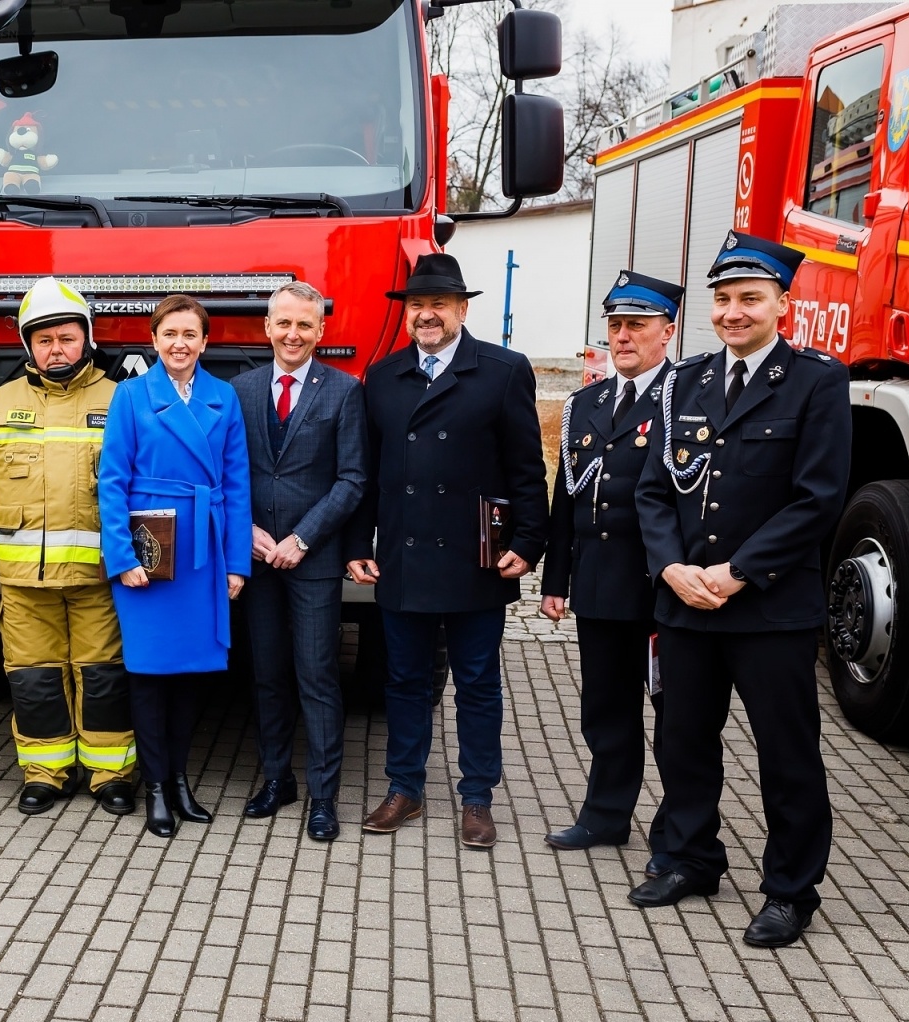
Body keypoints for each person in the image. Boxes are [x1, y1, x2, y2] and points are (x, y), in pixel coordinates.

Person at [632, 231, 850, 949]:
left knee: (787, 755)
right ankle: (692, 858)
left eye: (749, 299)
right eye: (723, 300)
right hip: (686, 602)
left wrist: (736, 573)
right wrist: (670, 569)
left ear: (782, 305)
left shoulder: (818, 382)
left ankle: (791, 890)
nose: (733, 313)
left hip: (767, 608)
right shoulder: (684, 382)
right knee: (683, 741)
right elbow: (654, 492)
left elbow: (816, 499)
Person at [346, 253, 547, 848]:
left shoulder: (505, 370)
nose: (426, 314)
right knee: (404, 680)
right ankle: (404, 787)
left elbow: (526, 469)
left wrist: (530, 541)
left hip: (475, 556)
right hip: (404, 559)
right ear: (406, 314)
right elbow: (368, 471)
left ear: (462, 309)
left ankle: (478, 796)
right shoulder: (383, 377)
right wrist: (359, 542)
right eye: (417, 305)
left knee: (478, 682)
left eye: (439, 304)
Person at [0, 278, 136, 817]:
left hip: (102, 578)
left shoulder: (120, 400)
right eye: (45, 339)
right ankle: (46, 771)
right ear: (29, 345)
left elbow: (144, 488)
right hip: (23, 582)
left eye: (67, 338)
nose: (57, 349)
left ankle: (111, 772)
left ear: (88, 340)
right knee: (33, 679)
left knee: (103, 679)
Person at [98, 295, 252, 839]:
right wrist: (122, 558)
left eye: (191, 334)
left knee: (191, 675)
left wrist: (236, 563)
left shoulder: (224, 397)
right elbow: (111, 481)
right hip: (152, 549)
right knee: (148, 673)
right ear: (155, 339)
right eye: (170, 334)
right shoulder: (130, 395)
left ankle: (180, 779)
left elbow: (235, 485)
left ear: (205, 342)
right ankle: (157, 786)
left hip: (202, 553)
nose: (180, 344)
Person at [540, 270, 681, 862]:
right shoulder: (585, 403)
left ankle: (678, 831)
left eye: (637, 326)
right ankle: (606, 815)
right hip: (598, 583)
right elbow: (566, 497)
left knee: (675, 715)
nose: (623, 337)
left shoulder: (685, 395)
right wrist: (554, 582)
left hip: (660, 588)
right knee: (604, 707)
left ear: (666, 332)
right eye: (616, 326)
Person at [230, 282, 366, 842]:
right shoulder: (239, 390)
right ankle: (276, 779)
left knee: (317, 677)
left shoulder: (344, 391)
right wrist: (250, 533)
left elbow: (353, 478)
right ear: (267, 328)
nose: (293, 335)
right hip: (258, 556)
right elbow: (226, 477)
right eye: (283, 324)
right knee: (267, 676)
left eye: (304, 326)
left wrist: (303, 538)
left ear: (320, 331)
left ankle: (323, 796)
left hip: (311, 559)